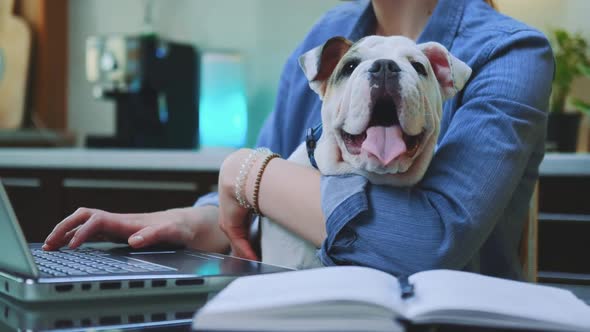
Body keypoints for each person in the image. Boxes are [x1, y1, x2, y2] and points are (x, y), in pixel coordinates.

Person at [44, 0, 554, 280]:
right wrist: (196, 218)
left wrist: (248, 172)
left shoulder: (512, 52)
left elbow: (427, 241)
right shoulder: (329, 31)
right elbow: (263, 196)